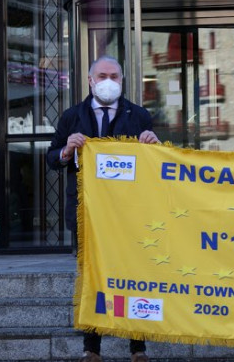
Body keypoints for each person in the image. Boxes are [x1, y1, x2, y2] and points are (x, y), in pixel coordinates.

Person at [46, 55, 159, 362]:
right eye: (102, 75)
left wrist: (154, 145)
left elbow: (155, 165)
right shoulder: (72, 116)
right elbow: (51, 158)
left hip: (129, 214)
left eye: (115, 76)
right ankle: (91, 348)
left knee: (134, 276)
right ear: (90, 80)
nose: (109, 81)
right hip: (88, 215)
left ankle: (138, 347)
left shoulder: (138, 115)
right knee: (92, 278)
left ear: (122, 81)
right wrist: (68, 149)